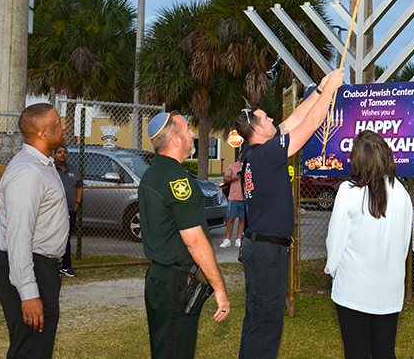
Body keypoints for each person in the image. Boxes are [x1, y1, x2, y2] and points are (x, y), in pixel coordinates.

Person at [236, 66, 345, 359]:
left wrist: (320, 89)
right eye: (266, 117)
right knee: (267, 321)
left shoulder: (252, 151)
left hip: (260, 248)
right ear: (258, 129)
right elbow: (308, 126)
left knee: (256, 317)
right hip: (268, 251)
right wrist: (332, 90)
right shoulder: (267, 153)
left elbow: (294, 119)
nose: (273, 118)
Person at [139, 111, 230, 358]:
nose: (192, 134)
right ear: (176, 141)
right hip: (175, 282)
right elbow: (195, 241)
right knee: (175, 350)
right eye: (187, 130)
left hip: (158, 277)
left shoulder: (152, 173)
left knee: (163, 347)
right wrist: (219, 288)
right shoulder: (176, 179)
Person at [324, 130, 413, 359]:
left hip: (352, 290)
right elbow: (404, 245)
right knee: (384, 352)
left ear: (357, 159)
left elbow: (335, 240)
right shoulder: (402, 193)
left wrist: (332, 271)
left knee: (356, 352)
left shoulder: (348, 191)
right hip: (389, 291)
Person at [0, 103, 69, 359]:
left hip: (41, 268)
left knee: (35, 349)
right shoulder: (28, 171)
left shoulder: (41, 164)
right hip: (30, 268)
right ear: (43, 134)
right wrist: (29, 293)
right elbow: (18, 236)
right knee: (30, 352)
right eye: (58, 123)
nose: (64, 126)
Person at [54, 145, 82, 277]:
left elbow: (79, 186)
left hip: (70, 210)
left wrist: (77, 203)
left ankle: (66, 266)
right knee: (52, 237)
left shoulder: (74, 170)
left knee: (66, 237)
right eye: (59, 152)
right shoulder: (50, 170)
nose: (62, 154)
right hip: (53, 211)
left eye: (65, 152)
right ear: (54, 155)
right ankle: (52, 266)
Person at [220, 159, 245, 248]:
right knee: (231, 218)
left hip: (245, 198)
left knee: (242, 219)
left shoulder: (249, 166)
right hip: (233, 197)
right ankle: (227, 239)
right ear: (239, 155)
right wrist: (234, 178)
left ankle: (238, 239)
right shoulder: (232, 166)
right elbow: (225, 178)